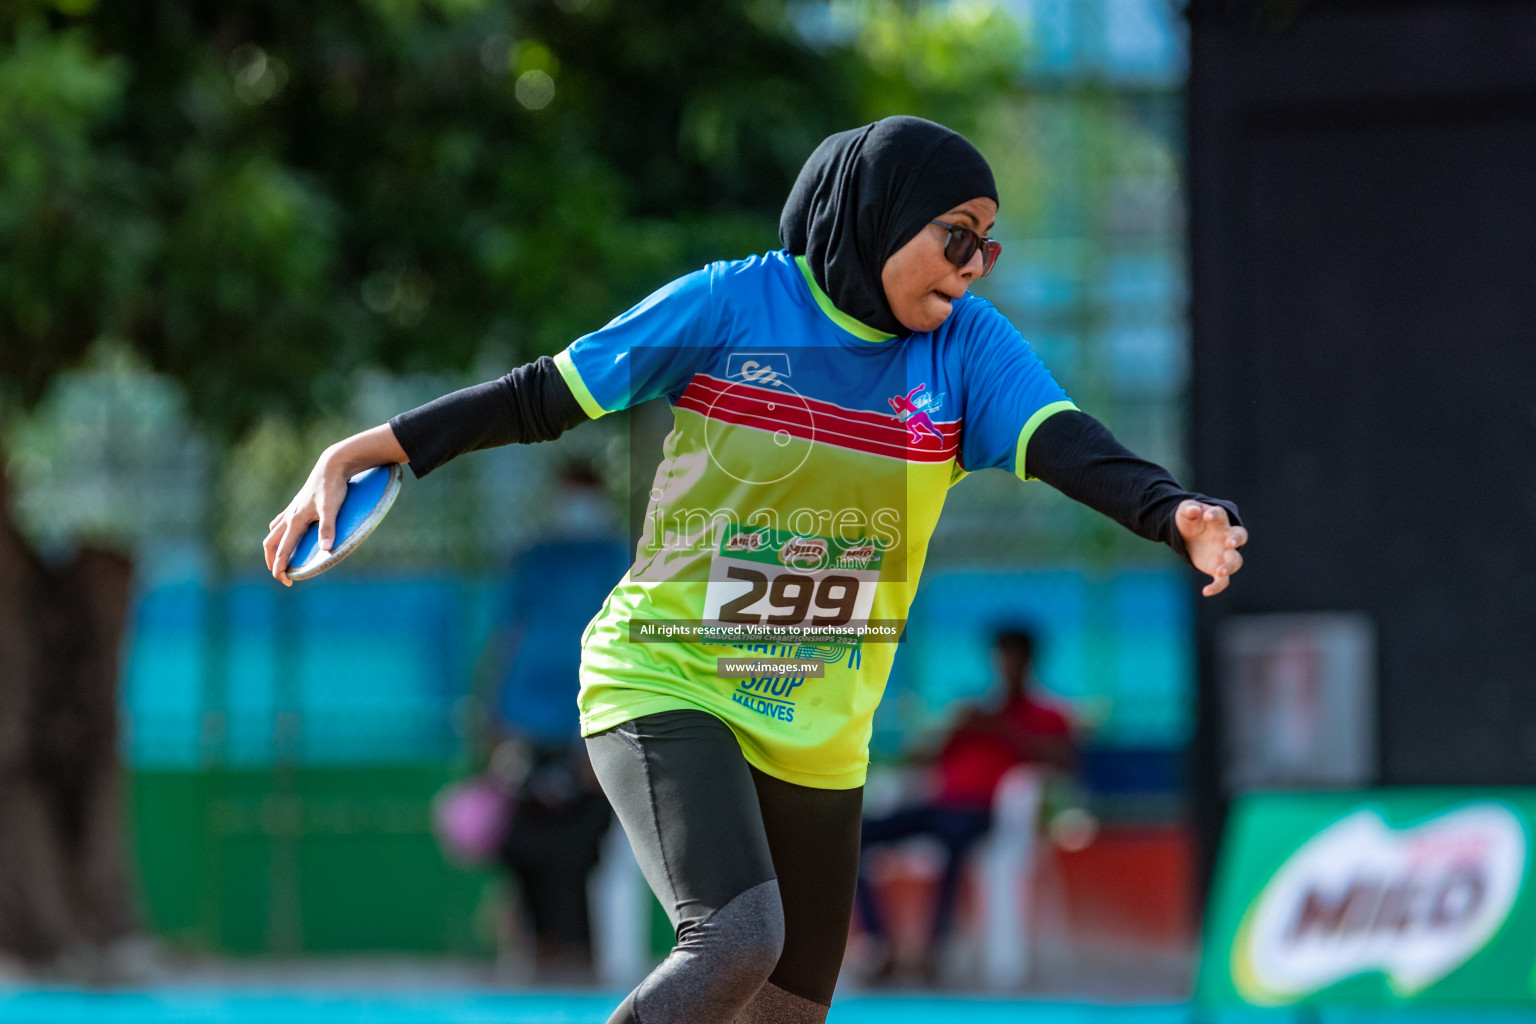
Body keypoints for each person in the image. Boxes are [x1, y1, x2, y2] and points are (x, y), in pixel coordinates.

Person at [264, 116, 1247, 1024]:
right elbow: (543, 396)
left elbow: (1063, 440)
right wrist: (377, 448)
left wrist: (1171, 511)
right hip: (664, 676)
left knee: (788, 1014)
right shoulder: (735, 302)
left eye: (987, 246)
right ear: (884, 213)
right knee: (736, 937)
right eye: (957, 236)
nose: (973, 267)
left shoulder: (966, 350)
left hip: (821, 730)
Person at [855, 627, 1073, 981]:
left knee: (952, 842)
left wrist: (1002, 728)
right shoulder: (975, 711)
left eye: (1013, 656)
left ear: (1029, 660)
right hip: (940, 806)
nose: (1006, 665)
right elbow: (920, 759)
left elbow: (1065, 763)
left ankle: (934, 952)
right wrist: (953, 729)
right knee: (857, 837)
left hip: (987, 815)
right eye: (1001, 656)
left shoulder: (1047, 714)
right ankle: (880, 947)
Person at [485, 460, 628, 981]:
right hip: (526, 724)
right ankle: (537, 952)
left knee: (579, 851)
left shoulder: (618, 559)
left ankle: (580, 958)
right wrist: (492, 713)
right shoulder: (534, 560)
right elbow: (506, 636)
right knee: (521, 844)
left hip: (591, 724)